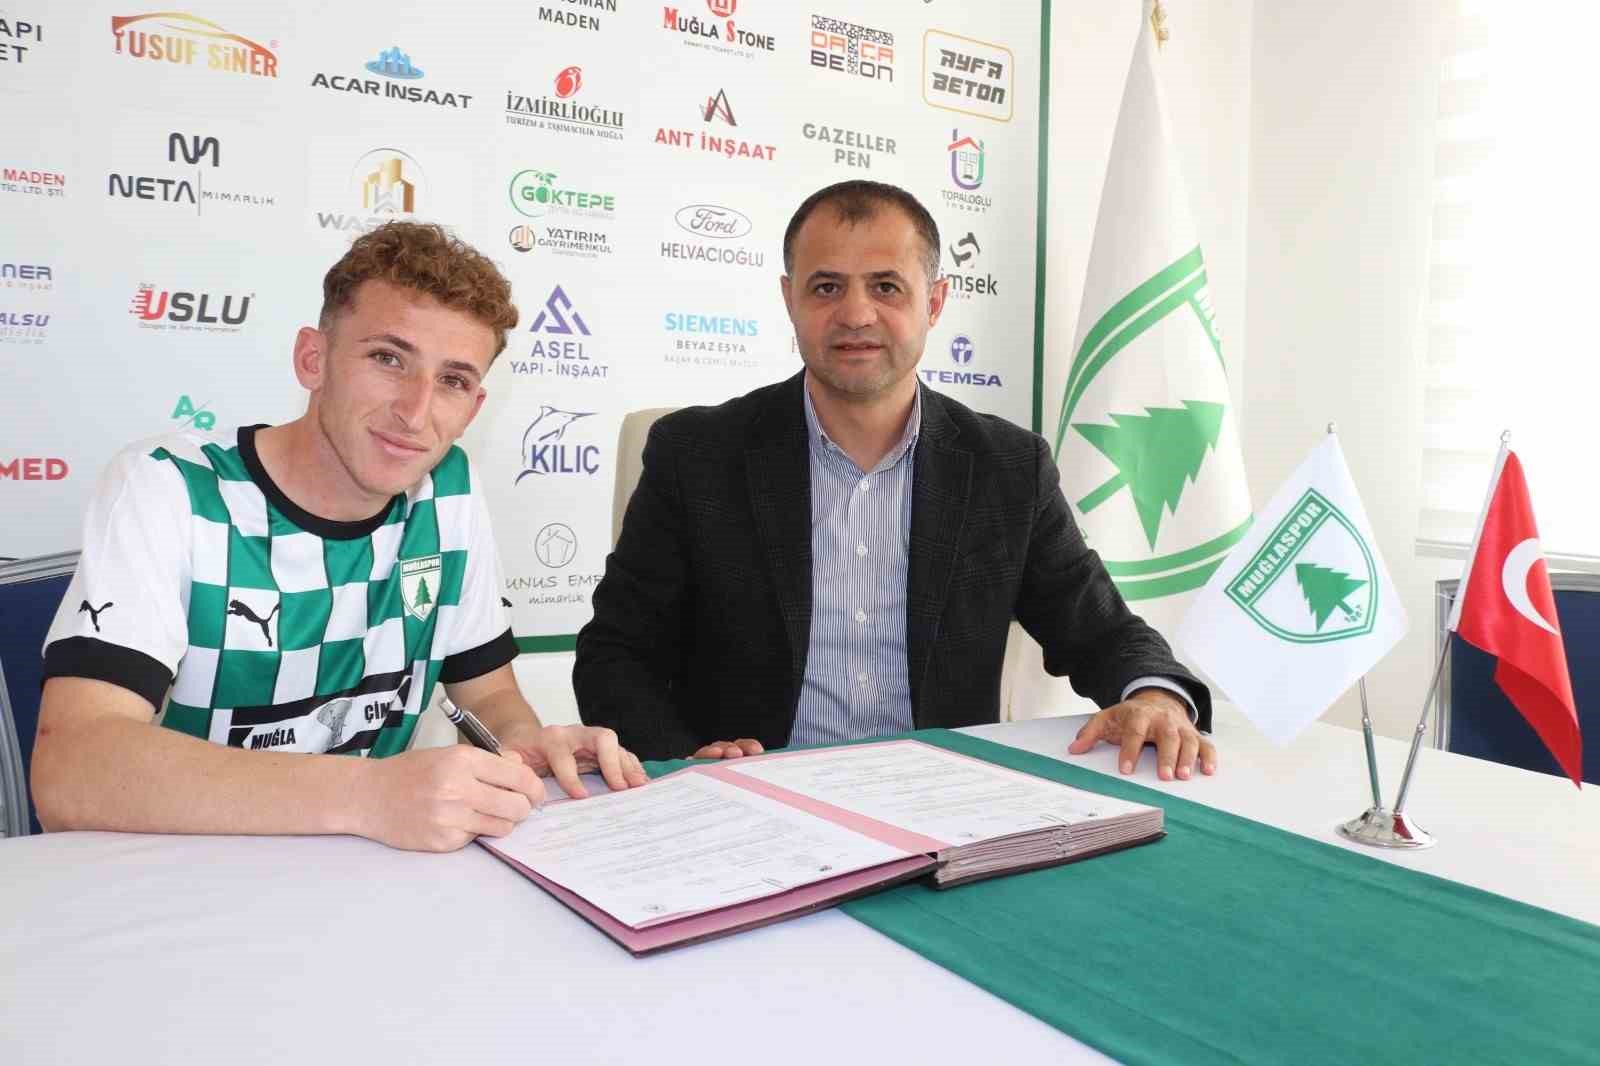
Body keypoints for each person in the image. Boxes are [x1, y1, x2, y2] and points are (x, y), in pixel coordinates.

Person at [32, 221, 646, 851]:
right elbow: (72, 771)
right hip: (183, 871)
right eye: (388, 359)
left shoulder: (449, 487)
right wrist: (369, 794)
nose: (415, 413)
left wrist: (519, 745)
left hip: (366, 875)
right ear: (313, 359)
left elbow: (488, 693)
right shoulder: (173, 485)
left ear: (474, 406)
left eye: (452, 381)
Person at [576, 180, 1218, 781]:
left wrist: (1155, 695)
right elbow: (615, 653)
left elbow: (1101, 631)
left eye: (886, 286)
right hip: (753, 797)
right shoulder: (697, 455)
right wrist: (685, 761)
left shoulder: (1007, 467)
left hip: (940, 798)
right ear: (789, 300)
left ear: (934, 302)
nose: (856, 314)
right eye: (826, 287)